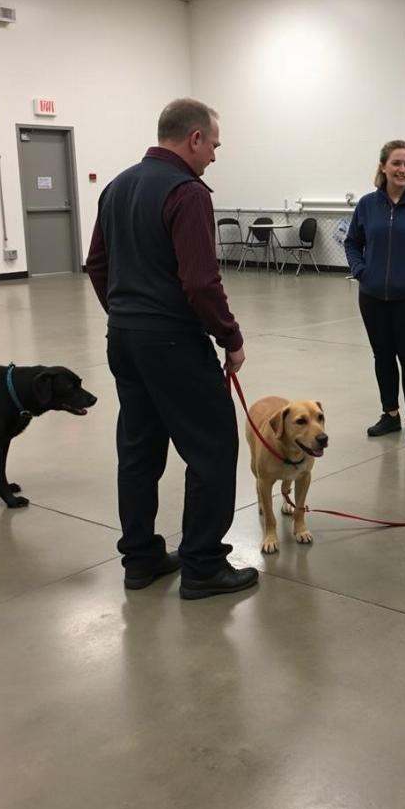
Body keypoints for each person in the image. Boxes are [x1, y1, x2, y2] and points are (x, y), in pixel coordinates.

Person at [86, 98, 259, 600]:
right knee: (212, 448)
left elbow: (96, 264)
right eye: (214, 146)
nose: (214, 157)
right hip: (173, 343)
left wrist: (125, 314)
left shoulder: (117, 187)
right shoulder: (187, 193)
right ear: (195, 138)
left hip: (126, 340)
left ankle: (139, 559)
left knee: (139, 450)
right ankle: (203, 565)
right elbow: (201, 283)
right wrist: (231, 337)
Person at [345, 140, 405, 446]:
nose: (402, 169)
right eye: (396, 163)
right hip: (372, 296)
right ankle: (390, 414)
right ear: (383, 167)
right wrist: (362, 271)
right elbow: (352, 242)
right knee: (383, 356)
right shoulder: (366, 205)